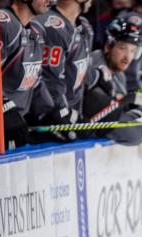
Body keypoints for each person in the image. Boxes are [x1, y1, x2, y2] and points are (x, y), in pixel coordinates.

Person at [0, 0, 54, 148]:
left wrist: (51, 111)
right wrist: (4, 108)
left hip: (14, 126)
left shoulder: (37, 33)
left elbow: (35, 81)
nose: (49, 1)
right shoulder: (3, 23)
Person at [82, 16, 142, 145]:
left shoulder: (119, 75)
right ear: (108, 46)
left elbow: (119, 110)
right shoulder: (94, 65)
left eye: (133, 50)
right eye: (122, 48)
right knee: (136, 133)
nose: (128, 57)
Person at [32, 0, 94, 142]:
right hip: (49, 116)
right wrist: (64, 113)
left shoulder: (85, 27)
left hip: (70, 112)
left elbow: (83, 75)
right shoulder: (52, 25)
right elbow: (49, 80)